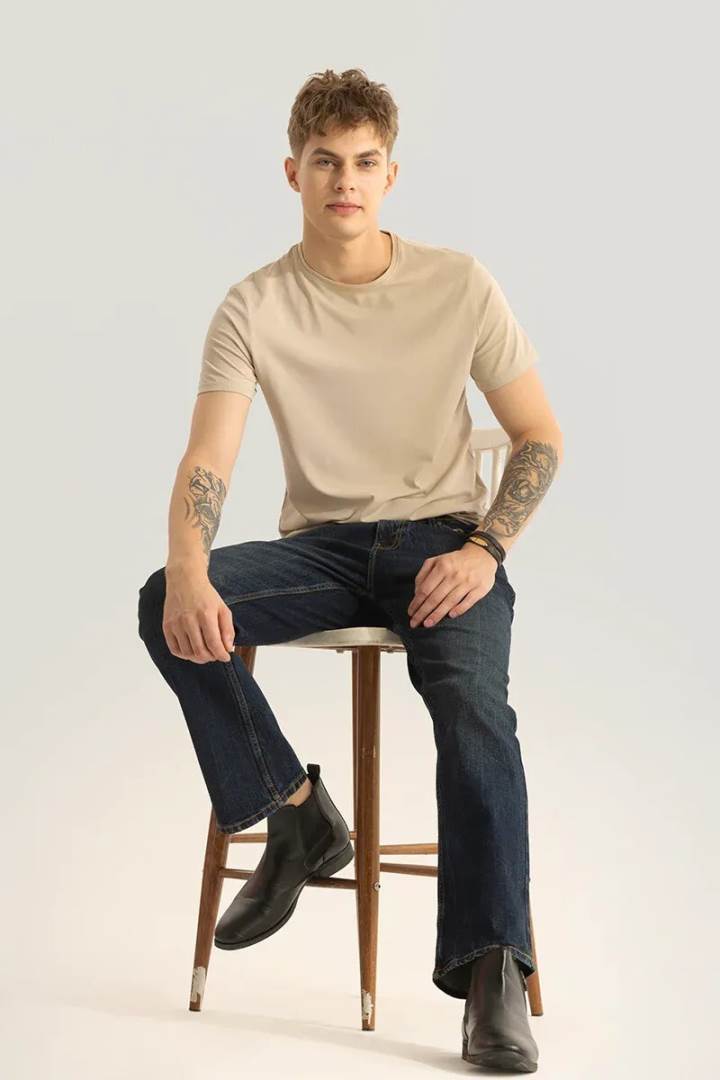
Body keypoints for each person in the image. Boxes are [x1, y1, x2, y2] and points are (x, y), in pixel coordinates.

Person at [137, 67, 563, 1073]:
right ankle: (295, 815)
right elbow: (208, 457)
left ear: (390, 174)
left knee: (474, 710)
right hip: (322, 551)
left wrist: (484, 549)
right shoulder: (255, 305)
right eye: (325, 161)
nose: (346, 180)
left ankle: (493, 973)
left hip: (444, 546)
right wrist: (190, 567)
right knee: (166, 600)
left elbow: (538, 435)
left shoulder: (458, 282)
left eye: (365, 162)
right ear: (293, 172)